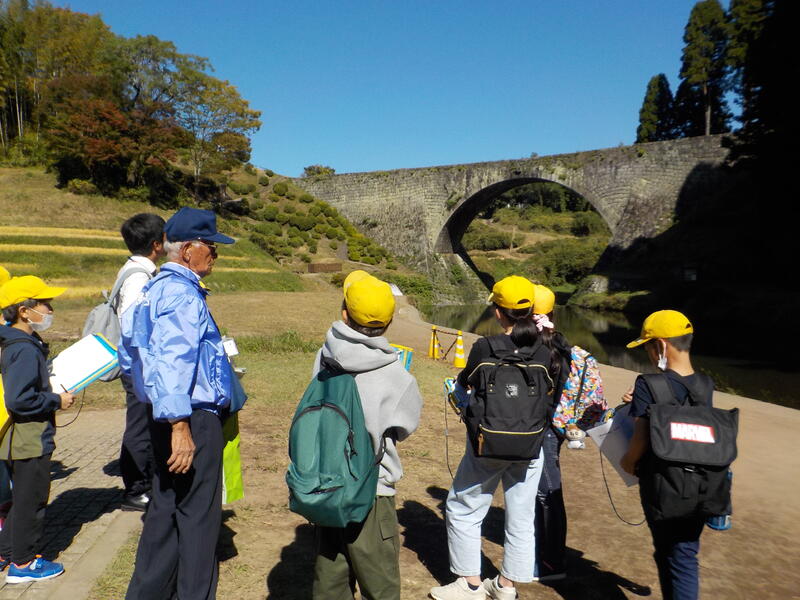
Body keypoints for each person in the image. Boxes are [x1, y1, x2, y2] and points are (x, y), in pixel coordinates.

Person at [119, 207, 235, 600]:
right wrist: (180, 425)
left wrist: (155, 405)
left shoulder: (150, 290)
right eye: (210, 246)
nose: (215, 254)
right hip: (189, 418)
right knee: (199, 518)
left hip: (162, 414)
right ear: (187, 250)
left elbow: (129, 353)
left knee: (164, 511)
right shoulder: (182, 295)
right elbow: (174, 360)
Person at [430, 276, 554, 600]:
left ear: (498, 311)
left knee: (463, 508)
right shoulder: (544, 352)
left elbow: (464, 384)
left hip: (487, 444)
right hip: (531, 445)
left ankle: (470, 584)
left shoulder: (485, 348)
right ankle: (506, 586)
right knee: (521, 517)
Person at [311, 271, 422, 600]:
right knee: (380, 583)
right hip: (373, 490)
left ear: (344, 314)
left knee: (331, 578)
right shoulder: (396, 375)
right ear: (389, 322)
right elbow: (404, 427)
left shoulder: (325, 356)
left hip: (328, 483)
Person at [620, 310, 709, 600]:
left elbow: (641, 437)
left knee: (671, 553)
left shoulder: (648, 383)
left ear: (660, 345)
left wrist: (628, 461)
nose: (647, 353)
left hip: (662, 483)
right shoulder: (706, 384)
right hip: (701, 483)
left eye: (647, 346)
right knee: (685, 553)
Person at [0, 275, 75, 582]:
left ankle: (6, 553)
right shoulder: (24, 348)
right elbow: (19, 400)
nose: (50, 309)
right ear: (24, 310)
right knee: (32, 502)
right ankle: (23, 565)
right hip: (28, 438)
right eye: (44, 303)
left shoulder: (12, 342)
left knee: (21, 501)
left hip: (16, 438)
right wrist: (57, 400)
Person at [116, 213, 166, 512]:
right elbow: (131, 326)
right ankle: (136, 489)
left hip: (137, 363)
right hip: (138, 365)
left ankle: (141, 482)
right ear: (156, 244)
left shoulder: (137, 270)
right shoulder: (138, 277)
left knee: (142, 424)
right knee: (140, 427)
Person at [531, 284, 571, 582]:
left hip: (541, 428)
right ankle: (544, 556)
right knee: (543, 492)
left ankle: (551, 562)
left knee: (547, 493)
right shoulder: (560, 343)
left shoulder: (536, 347)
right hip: (554, 428)